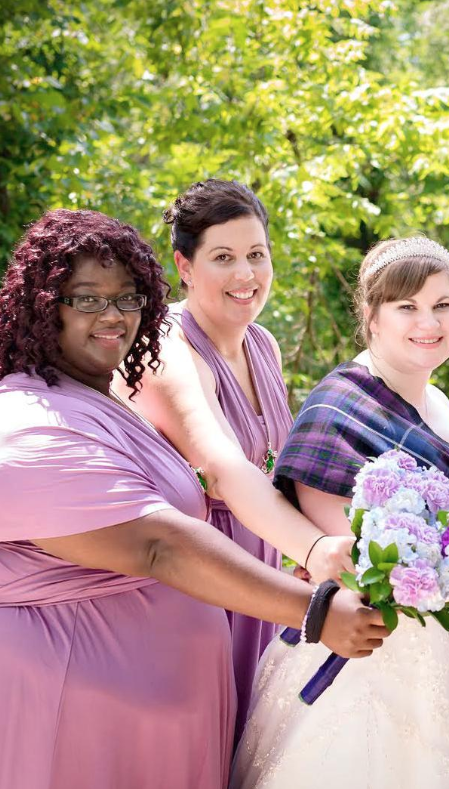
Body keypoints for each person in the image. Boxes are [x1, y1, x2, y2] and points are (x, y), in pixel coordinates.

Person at [0, 210, 386, 789]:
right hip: (69, 719)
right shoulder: (24, 421)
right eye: (86, 299)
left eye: (129, 297)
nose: (113, 316)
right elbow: (159, 546)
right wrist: (313, 610)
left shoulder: (102, 402)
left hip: (156, 726)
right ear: (43, 306)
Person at [231, 237, 449, 789]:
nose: (429, 322)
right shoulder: (337, 408)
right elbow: (357, 562)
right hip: (374, 660)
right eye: (407, 307)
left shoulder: (432, 400)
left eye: (442, 305)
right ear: (371, 315)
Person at [116, 179, 353, 739]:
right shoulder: (164, 345)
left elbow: (282, 470)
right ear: (185, 264)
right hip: (200, 584)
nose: (246, 275)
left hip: (270, 570)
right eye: (223, 257)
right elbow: (221, 466)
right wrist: (314, 549)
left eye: (257, 255)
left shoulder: (263, 344)